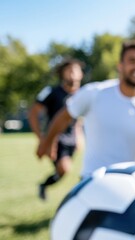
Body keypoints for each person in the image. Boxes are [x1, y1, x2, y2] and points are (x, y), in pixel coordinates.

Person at [37, 40, 135, 178]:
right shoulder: (94, 92)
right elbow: (65, 116)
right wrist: (47, 142)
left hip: (129, 186)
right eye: (132, 61)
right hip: (92, 180)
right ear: (120, 66)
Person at [28, 58, 84, 200]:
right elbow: (33, 112)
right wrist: (42, 139)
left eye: (76, 70)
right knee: (64, 168)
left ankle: (44, 185)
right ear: (62, 74)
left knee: (63, 172)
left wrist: (79, 135)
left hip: (71, 139)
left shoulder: (82, 94)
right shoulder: (52, 91)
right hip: (55, 139)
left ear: (81, 74)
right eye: (69, 70)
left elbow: (78, 119)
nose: (73, 73)